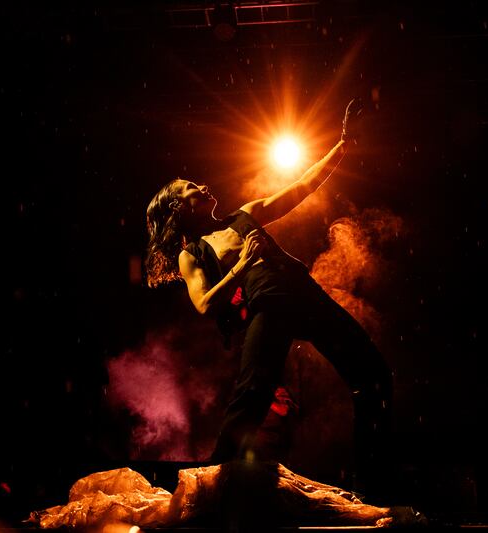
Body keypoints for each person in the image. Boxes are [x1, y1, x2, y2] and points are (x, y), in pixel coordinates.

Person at [144, 100, 393, 497]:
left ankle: (376, 483)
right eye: (191, 187)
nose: (202, 186)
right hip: (269, 306)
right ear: (178, 206)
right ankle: (212, 491)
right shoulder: (193, 253)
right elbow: (205, 304)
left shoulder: (246, 213)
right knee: (251, 397)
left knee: (374, 377)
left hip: (303, 294)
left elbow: (302, 186)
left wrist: (344, 143)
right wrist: (241, 264)